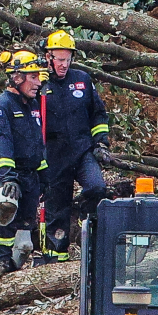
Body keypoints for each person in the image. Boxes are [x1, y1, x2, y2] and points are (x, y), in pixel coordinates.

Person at [39, 29, 110, 263]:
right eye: (59, 59)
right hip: (54, 155)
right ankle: (56, 258)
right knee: (56, 209)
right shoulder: (39, 85)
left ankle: (84, 220)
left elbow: (98, 114)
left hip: (82, 151)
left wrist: (100, 143)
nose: (64, 65)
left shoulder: (82, 80)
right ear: (48, 57)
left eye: (67, 59)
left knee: (97, 187)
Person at [0, 49, 49, 279]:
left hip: (30, 173)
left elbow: (36, 144)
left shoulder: (31, 105)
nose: (38, 82)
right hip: (5, 171)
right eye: (33, 77)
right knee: (7, 202)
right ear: (17, 77)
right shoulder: (2, 105)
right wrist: (8, 177)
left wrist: (44, 175)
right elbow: (0, 142)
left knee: (25, 241)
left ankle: (14, 267)